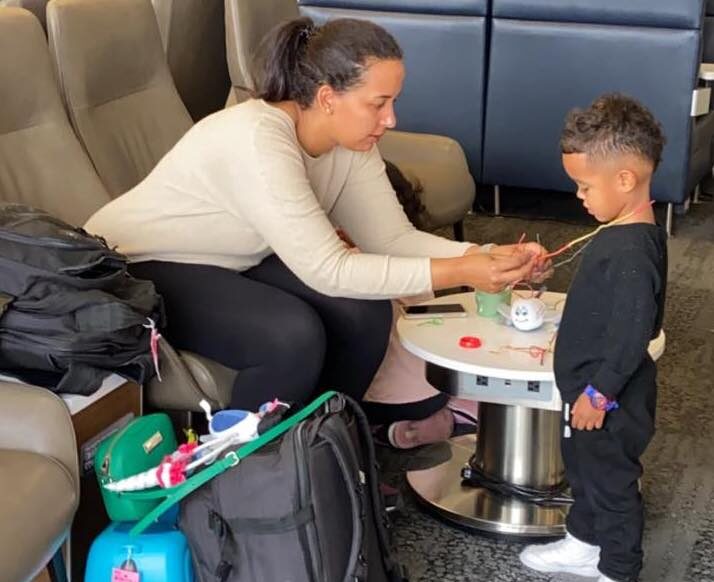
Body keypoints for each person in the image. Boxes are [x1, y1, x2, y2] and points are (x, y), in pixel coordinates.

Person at [85, 16, 546, 411]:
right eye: (379, 103)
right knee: (289, 336)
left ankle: (325, 450)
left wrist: (484, 254)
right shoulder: (258, 139)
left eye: (393, 102)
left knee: (363, 313)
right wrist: (462, 270)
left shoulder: (351, 141)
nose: (391, 119)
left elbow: (391, 240)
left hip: (227, 255)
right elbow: (330, 269)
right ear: (327, 98)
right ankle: (246, 482)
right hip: (136, 265)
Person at [519, 94, 668, 582]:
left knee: (610, 483)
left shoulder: (631, 253)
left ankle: (620, 569)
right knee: (582, 473)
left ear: (625, 179)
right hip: (585, 390)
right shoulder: (621, 231)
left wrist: (599, 395)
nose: (579, 195)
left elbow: (631, 333)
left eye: (585, 185)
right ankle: (584, 544)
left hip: (606, 398)